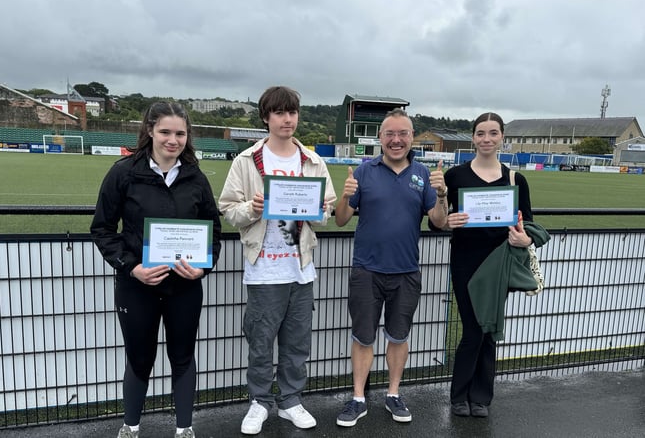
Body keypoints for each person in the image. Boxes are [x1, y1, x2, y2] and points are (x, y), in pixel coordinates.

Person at [90, 102, 222, 438]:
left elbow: (213, 232)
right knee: (139, 356)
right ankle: (131, 427)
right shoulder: (123, 172)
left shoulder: (196, 177)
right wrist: (133, 268)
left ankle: (184, 430)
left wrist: (202, 269)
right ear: (150, 131)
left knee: (182, 356)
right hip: (137, 286)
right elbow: (102, 229)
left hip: (184, 288)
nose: (172, 140)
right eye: (165, 132)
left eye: (180, 133)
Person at [218, 86, 337, 435]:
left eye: (293, 112)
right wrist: (252, 210)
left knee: (297, 341)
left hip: (300, 268)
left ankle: (290, 401)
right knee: (260, 340)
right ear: (266, 117)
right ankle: (259, 402)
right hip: (263, 267)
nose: (288, 119)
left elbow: (326, 208)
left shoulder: (313, 161)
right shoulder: (246, 161)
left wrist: (318, 209)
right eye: (280, 112)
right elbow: (228, 208)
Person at [334, 108, 448, 427]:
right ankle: (358, 398)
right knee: (363, 337)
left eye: (403, 134)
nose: (396, 140)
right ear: (381, 138)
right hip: (366, 271)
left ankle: (393, 394)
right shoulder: (363, 172)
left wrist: (441, 195)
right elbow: (341, 219)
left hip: (406, 271)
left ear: (411, 137)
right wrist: (345, 197)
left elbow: (439, 221)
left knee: (398, 337)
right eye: (390, 134)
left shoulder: (424, 175)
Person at [431, 112, 533, 418]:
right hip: (465, 261)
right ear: (473, 137)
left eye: (492, 133)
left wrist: (523, 239)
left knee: (489, 331)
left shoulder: (516, 179)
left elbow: (527, 224)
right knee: (475, 329)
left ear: (502, 137)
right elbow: (436, 223)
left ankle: (481, 397)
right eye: (480, 133)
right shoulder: (455, 176)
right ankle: (460, 395)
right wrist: (447, 220)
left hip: (499, 263)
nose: (486, 139)